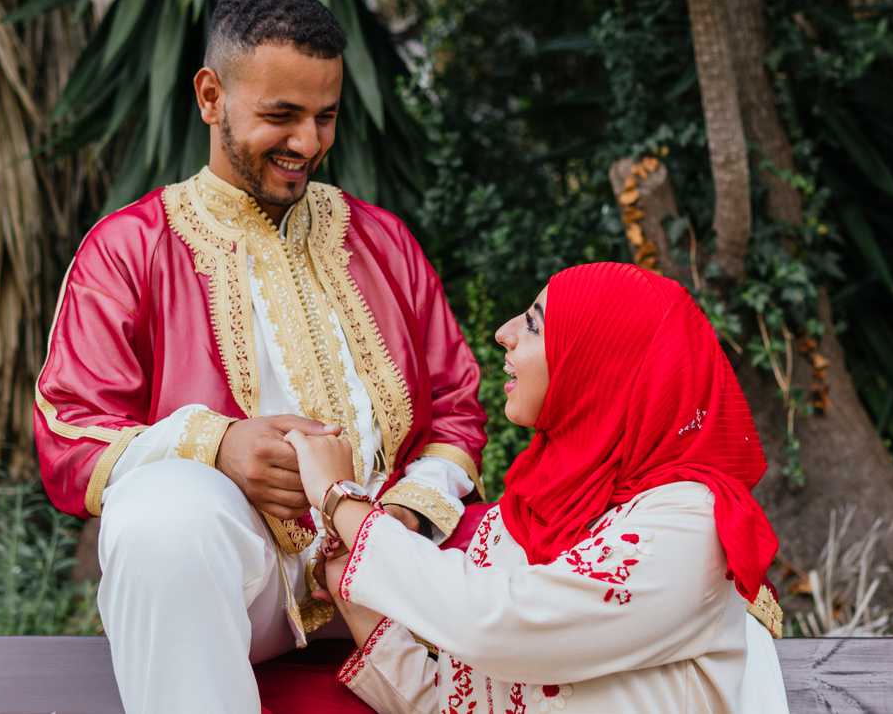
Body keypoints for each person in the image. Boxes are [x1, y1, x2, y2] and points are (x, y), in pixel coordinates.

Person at [33, 0, 486, 714]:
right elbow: (69, 439)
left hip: (392, 566)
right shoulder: (129, 248)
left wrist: (397, 514)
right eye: (280, 115)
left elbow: (459, 409)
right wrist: (217, 446)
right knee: (162, 513)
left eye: (325, 117)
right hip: (239, 585)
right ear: (211, 96)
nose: (307, 143)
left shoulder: (383, 239)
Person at [288, 262, 791, 713]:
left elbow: (501, 626)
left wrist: (342, 502)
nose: (504, 333)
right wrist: (354, 594)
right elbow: (458, 704)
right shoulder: (517, 523)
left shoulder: (689, 522)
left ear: (602, 362)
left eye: (533, 324)